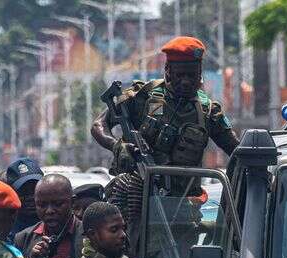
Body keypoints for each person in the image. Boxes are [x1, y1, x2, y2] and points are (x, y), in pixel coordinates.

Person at [92, 35, 239, 245]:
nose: (186, 81)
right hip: (135, 203)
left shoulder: (208, 111)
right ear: (167, 70)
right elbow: (99, 125)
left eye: (192, 75)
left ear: (200, 74)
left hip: (180, 212)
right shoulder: (143, 96)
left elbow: (236, 150)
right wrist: (117, 146)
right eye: (180, 75)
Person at [2, 158, 44, 236]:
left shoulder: (57, 223)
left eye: (34, 189)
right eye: (23, 191)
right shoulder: (4, 231)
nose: (30, 197)